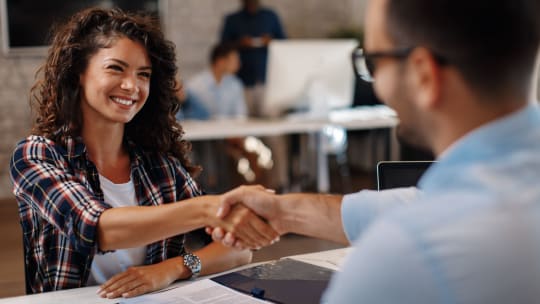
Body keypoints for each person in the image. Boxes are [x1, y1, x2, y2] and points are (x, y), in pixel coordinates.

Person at [211, 0, 540, 302]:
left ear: (423, 74)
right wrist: (282, 212)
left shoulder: (406, 255)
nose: (376, 82)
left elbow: (416, 222)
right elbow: (409, 204)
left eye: (373, 61)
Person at [9, 8, 278, 298]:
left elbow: (238, 250)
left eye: (144, 74)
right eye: (116, 68)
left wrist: (173, 268)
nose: (132, 86)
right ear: (77, 75)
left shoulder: (160, 166)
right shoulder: (36, 155)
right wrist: (209, 209)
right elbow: (98, 229)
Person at [220, 0, 286, 116]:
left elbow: (285, 43)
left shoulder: (270, 16)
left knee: (271, 124)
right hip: (242, 81)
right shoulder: (232, 19)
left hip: (267, 80)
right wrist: (239, 43)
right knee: (244, 122)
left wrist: (272, 41)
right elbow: (222, 47)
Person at [186, 43, 247, 120]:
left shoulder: (235, 84)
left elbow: (240, 115)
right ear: (220, 61)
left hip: (229, 130)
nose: (238, 65)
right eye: (234, 60)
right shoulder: (195, 85)